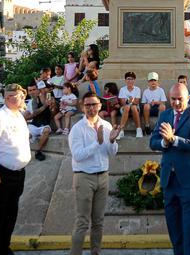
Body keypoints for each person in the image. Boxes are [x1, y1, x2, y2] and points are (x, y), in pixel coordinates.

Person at [149, 83, 190, 255]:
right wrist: (164, 142)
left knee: (189, 227)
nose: (175, 103)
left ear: (188, 98)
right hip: (169, 179)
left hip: (189, 180)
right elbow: (153, 142)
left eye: (179, 99)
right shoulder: (165, 114)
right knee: (173, 226)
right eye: (172, 99)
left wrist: (173, 139)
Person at [0, 84, 31, 255]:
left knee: (10, 213)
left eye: (20, 96)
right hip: (1, 172)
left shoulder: (19, 116)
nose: (20, 99)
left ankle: (4, 247)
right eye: (14, 96)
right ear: (7, 98)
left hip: (18, 173)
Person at [68, 91, 119, 255]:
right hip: (84, 177)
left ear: (100, 106)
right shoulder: (77, 129)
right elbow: (78, 155)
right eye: (88, 105)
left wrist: (111, 141)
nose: (91, 108)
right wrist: (97, 143)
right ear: (83, 107)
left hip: (103, 177)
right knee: (82, 222)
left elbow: (112, 153)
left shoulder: (107, 126)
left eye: (94, 104)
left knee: (98, 221)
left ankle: (95, 252)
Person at [24, 84, 51, 161]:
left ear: (38, 90)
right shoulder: (32, 102)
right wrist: (45, 106)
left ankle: (38, 151)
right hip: (34, 124)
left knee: (46, 130)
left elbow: (52, 109)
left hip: (44, 124)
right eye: (30, 90)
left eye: (34, 90)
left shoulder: (48, 97)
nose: (32, 92)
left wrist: (52, 106)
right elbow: (33, 113)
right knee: (25, 135)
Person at [118, 72, 143, 139]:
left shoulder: (137, 89)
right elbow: (122, 102)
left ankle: (139, 129)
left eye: (131, 79)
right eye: (128, 79)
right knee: (127, 107)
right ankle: (121, 130)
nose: (130, 81)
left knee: (134, 107)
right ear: (125, 80)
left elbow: (137, 102)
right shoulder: (122, 89)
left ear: (134, 80)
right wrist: (129, 101)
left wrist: (129, 101)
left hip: (135, 108)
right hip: (124, 108)